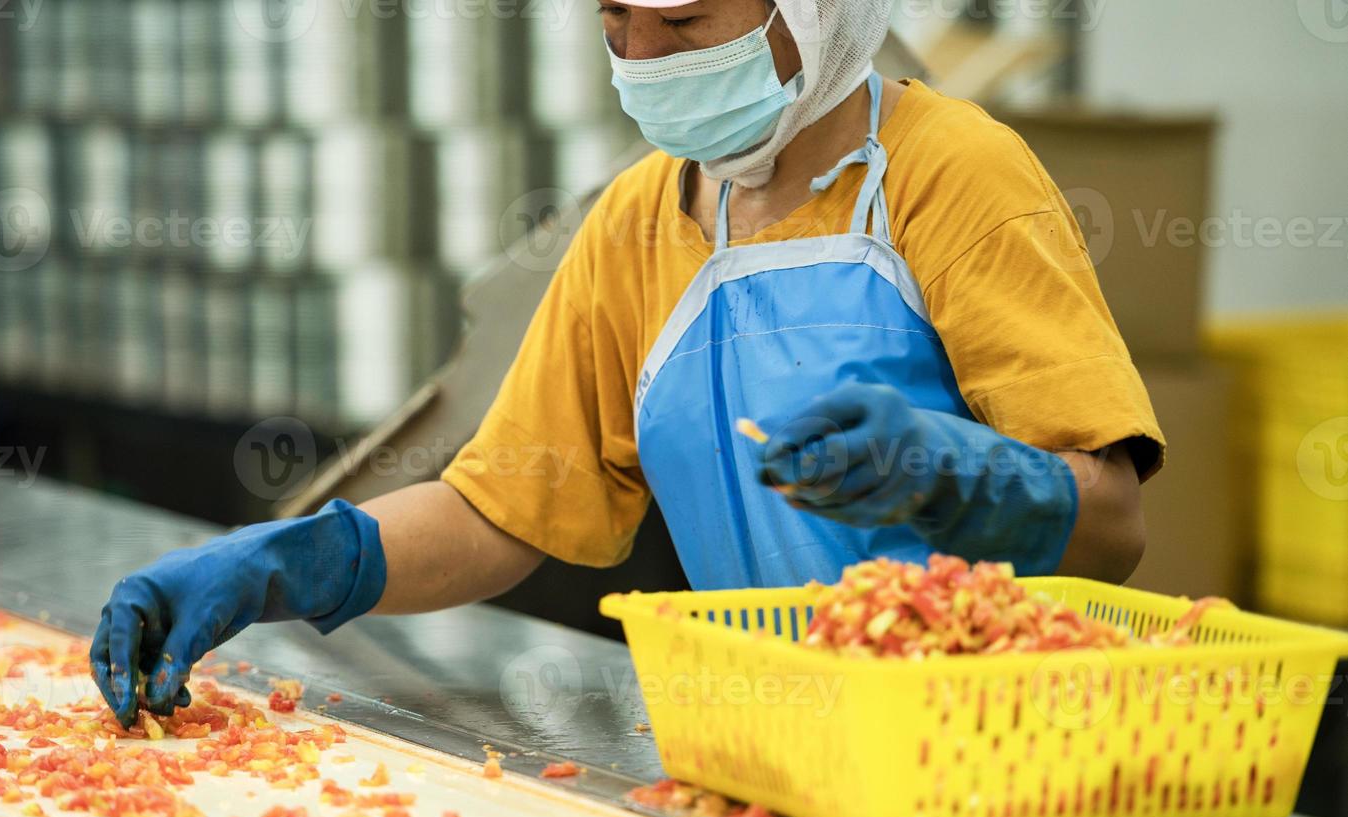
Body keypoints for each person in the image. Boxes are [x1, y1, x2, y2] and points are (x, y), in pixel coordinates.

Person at [91, 0, 1164, 726]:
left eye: (689, 23)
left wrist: (957, 476)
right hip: (770, 745)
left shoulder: (953, 173)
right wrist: (282, 563)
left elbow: (1114, 521)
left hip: (988, 741)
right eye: (619, 21)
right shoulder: (639, 221)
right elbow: (503, 509)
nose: (650, 60)